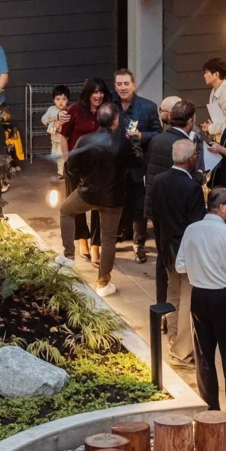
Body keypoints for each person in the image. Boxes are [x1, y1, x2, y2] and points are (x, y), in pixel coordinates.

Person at [175, 187, 226, 427]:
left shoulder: (192, 229)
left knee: (204, 356)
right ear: (221, 207)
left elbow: (180, 266)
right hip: (224, 297)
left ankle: (210, 409)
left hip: (199, 296)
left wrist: (201, 267)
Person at [57, 102, 131, 297]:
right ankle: (103, 283)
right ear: (116, 121)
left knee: (66, 211)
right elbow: (135, 162)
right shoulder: (124, 142)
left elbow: (71, 167)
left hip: (88, 192)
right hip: (113, 198)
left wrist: (83, 176)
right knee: (108, 239)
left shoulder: (84, 140)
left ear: (98, 119)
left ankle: (68, 256)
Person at [150, 139, 207, 369]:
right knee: (187, 297)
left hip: (166, 247)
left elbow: (155, 216)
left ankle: (173, 341)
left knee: (173, 294)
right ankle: (182, 353)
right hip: (185, 249)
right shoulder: (192, 187)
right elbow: (197, 226)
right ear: (191, 159)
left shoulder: (159, 180)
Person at [145, 100, 204, 309]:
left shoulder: (157, 139)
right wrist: (199, 176)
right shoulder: (186, 145)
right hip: (180, 212)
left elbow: (150, 172)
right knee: (180, 264)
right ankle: (178, 308)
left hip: (159, 207)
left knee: (163, 258)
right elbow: (188, 179)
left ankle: (163, 305)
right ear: (191, 121)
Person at [57, 78, 109, 263]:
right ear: (88, 93)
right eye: (95, 92)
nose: (98, 95)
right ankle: (82, 239)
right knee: (76, 204)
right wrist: (67, 160)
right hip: (76, 165)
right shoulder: (75, 110)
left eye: (101, 92)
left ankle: (96, 245)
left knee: (98, 205)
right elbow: (63, 135)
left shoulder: (107, 111)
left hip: (100, 167)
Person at [114, 69, 162, 263]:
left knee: (139, 207)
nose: (123, 87)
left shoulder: (147, 107)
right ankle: (113, 239)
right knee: (115, 203)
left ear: (133, 85)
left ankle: (139, 244)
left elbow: (158, 134)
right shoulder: (110, 104)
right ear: (115, 86)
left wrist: (142, 136)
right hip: (116, 165)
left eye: (126, 83)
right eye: (119, 84)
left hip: (138, 165)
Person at [40, 85, 69, 180]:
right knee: (54, 155)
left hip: (63, 139)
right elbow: (43, 118)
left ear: (67, 100)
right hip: (54, 138)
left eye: (64, 99)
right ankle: (64, 170)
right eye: (58, 99)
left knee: (60, 156)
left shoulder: (68, 111)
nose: (61, 102)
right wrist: (48, 121)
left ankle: (62, 173)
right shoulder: (51, 109)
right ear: (54, 100)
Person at [202, 57, 226, 136]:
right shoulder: (213, 91)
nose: (204, 76)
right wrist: (211, 127)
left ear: (216, 74)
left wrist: (210, 128)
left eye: (206, 72)